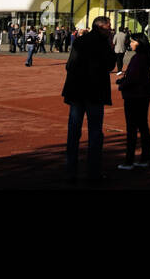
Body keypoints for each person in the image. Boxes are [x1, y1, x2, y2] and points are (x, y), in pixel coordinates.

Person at [61, 16, 116, 182]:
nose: (110, 30)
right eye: (108, 28)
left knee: (74, 132)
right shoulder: (104, 44)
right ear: (100, 28)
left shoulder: (80, 41)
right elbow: (110, 66)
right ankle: (93, 172)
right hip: (95, 92)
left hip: (77, 91)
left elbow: (69, 65)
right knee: (95, 133)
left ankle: (70, 171)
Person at [116, 32, 150, 169]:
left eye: (133, 41)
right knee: (143, 126)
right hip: (144, 95)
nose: (130, 43)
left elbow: (133, 78)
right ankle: (145, 157)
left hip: (133, 95)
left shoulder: (138, 58)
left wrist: (122, 84)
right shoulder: (148, 57)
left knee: (132, 129)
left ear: (139, 43)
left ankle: (129, 160)